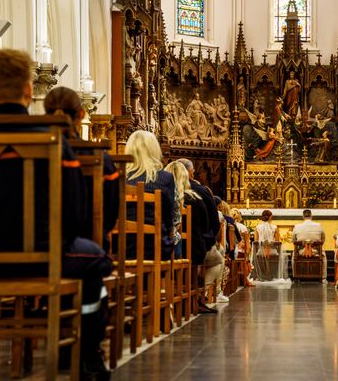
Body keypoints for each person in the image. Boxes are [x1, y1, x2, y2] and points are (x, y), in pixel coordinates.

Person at [0, 49, 112, 380]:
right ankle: (88, 355)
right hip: (47, 257)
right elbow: (77, 213)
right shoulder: (53, 144)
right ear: (30, 90)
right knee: (98, 261)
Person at [44, 87, 119, 242]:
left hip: (38, 246)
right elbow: (110, 216)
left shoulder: (34, 152)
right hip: (83, 244)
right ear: (82, 114)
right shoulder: (99, 157)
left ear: (45, 115)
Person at [176, 158, 224, 312]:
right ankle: (197, 295)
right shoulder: (200, 192)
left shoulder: (166, 190)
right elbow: (212, 223)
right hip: (194, 249)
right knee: (217, 259)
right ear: (191, 173)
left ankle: (175, 294)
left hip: (163, 248)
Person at [124, 130, 177, 262]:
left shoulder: (119, 177)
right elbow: (169, 217)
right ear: (154, 151)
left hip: (121, 247)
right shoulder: (165, 178)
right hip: (154, 247)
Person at [252, 210, 288, 282]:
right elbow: (278, 242)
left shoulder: (257, 227)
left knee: (260, 252)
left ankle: (261, 275)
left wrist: (262, 246)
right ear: (270, 217)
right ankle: (273, 275)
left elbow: (255, 241)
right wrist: (276, 250)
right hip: (273, 251)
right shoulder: (275, 227)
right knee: (276, 252)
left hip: (260, 251)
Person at [292, 209, 327, 283]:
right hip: (316, 251)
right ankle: (323, 277)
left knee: (293, 255)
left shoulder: (297, 226)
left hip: (302, 251)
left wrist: (303, 244)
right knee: (323, 256)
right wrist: (316, 244)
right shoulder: (318, 225)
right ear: (311, 216)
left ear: (303, 217)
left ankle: (295, 276)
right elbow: (323, 238)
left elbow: (294, 240)